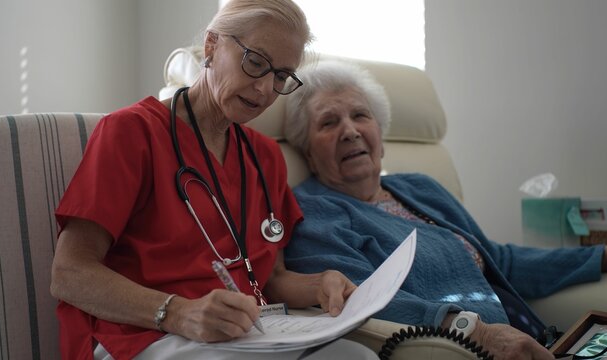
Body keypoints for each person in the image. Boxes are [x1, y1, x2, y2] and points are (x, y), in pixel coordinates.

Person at [50, 2, 378, 359]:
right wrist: (178, 313)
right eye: (255, 63)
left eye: (281, 76)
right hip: (143, 334)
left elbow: (269, 279)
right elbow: (69, 274)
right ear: (211, 47)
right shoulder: (131, 132)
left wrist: (321, 284)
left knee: (356, 356)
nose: (266, 89)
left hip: (245, 335)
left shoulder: (265, 157)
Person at [282, 60, 607, 360]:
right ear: (307, 151)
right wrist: (472, 330)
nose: (350, 131)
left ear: (380, 136)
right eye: (328, 122)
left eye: (360, 116)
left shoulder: (420, 187)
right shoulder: (313, 214)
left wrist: (598, 257)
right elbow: (363, 302)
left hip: (535, 339)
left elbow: (499, 260)